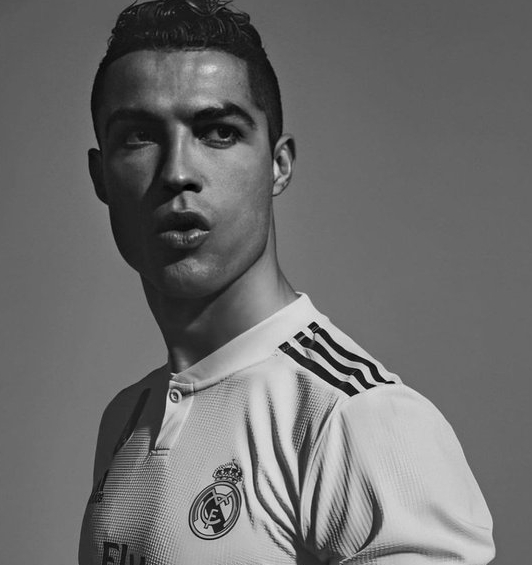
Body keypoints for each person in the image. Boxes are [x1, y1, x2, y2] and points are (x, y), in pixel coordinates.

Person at [79, 1, 495, 563]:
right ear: (100, 177)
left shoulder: (355, 418)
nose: (177, 172)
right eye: (139, 137)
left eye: (218, 132)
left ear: (279, 165)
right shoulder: (125, 419)